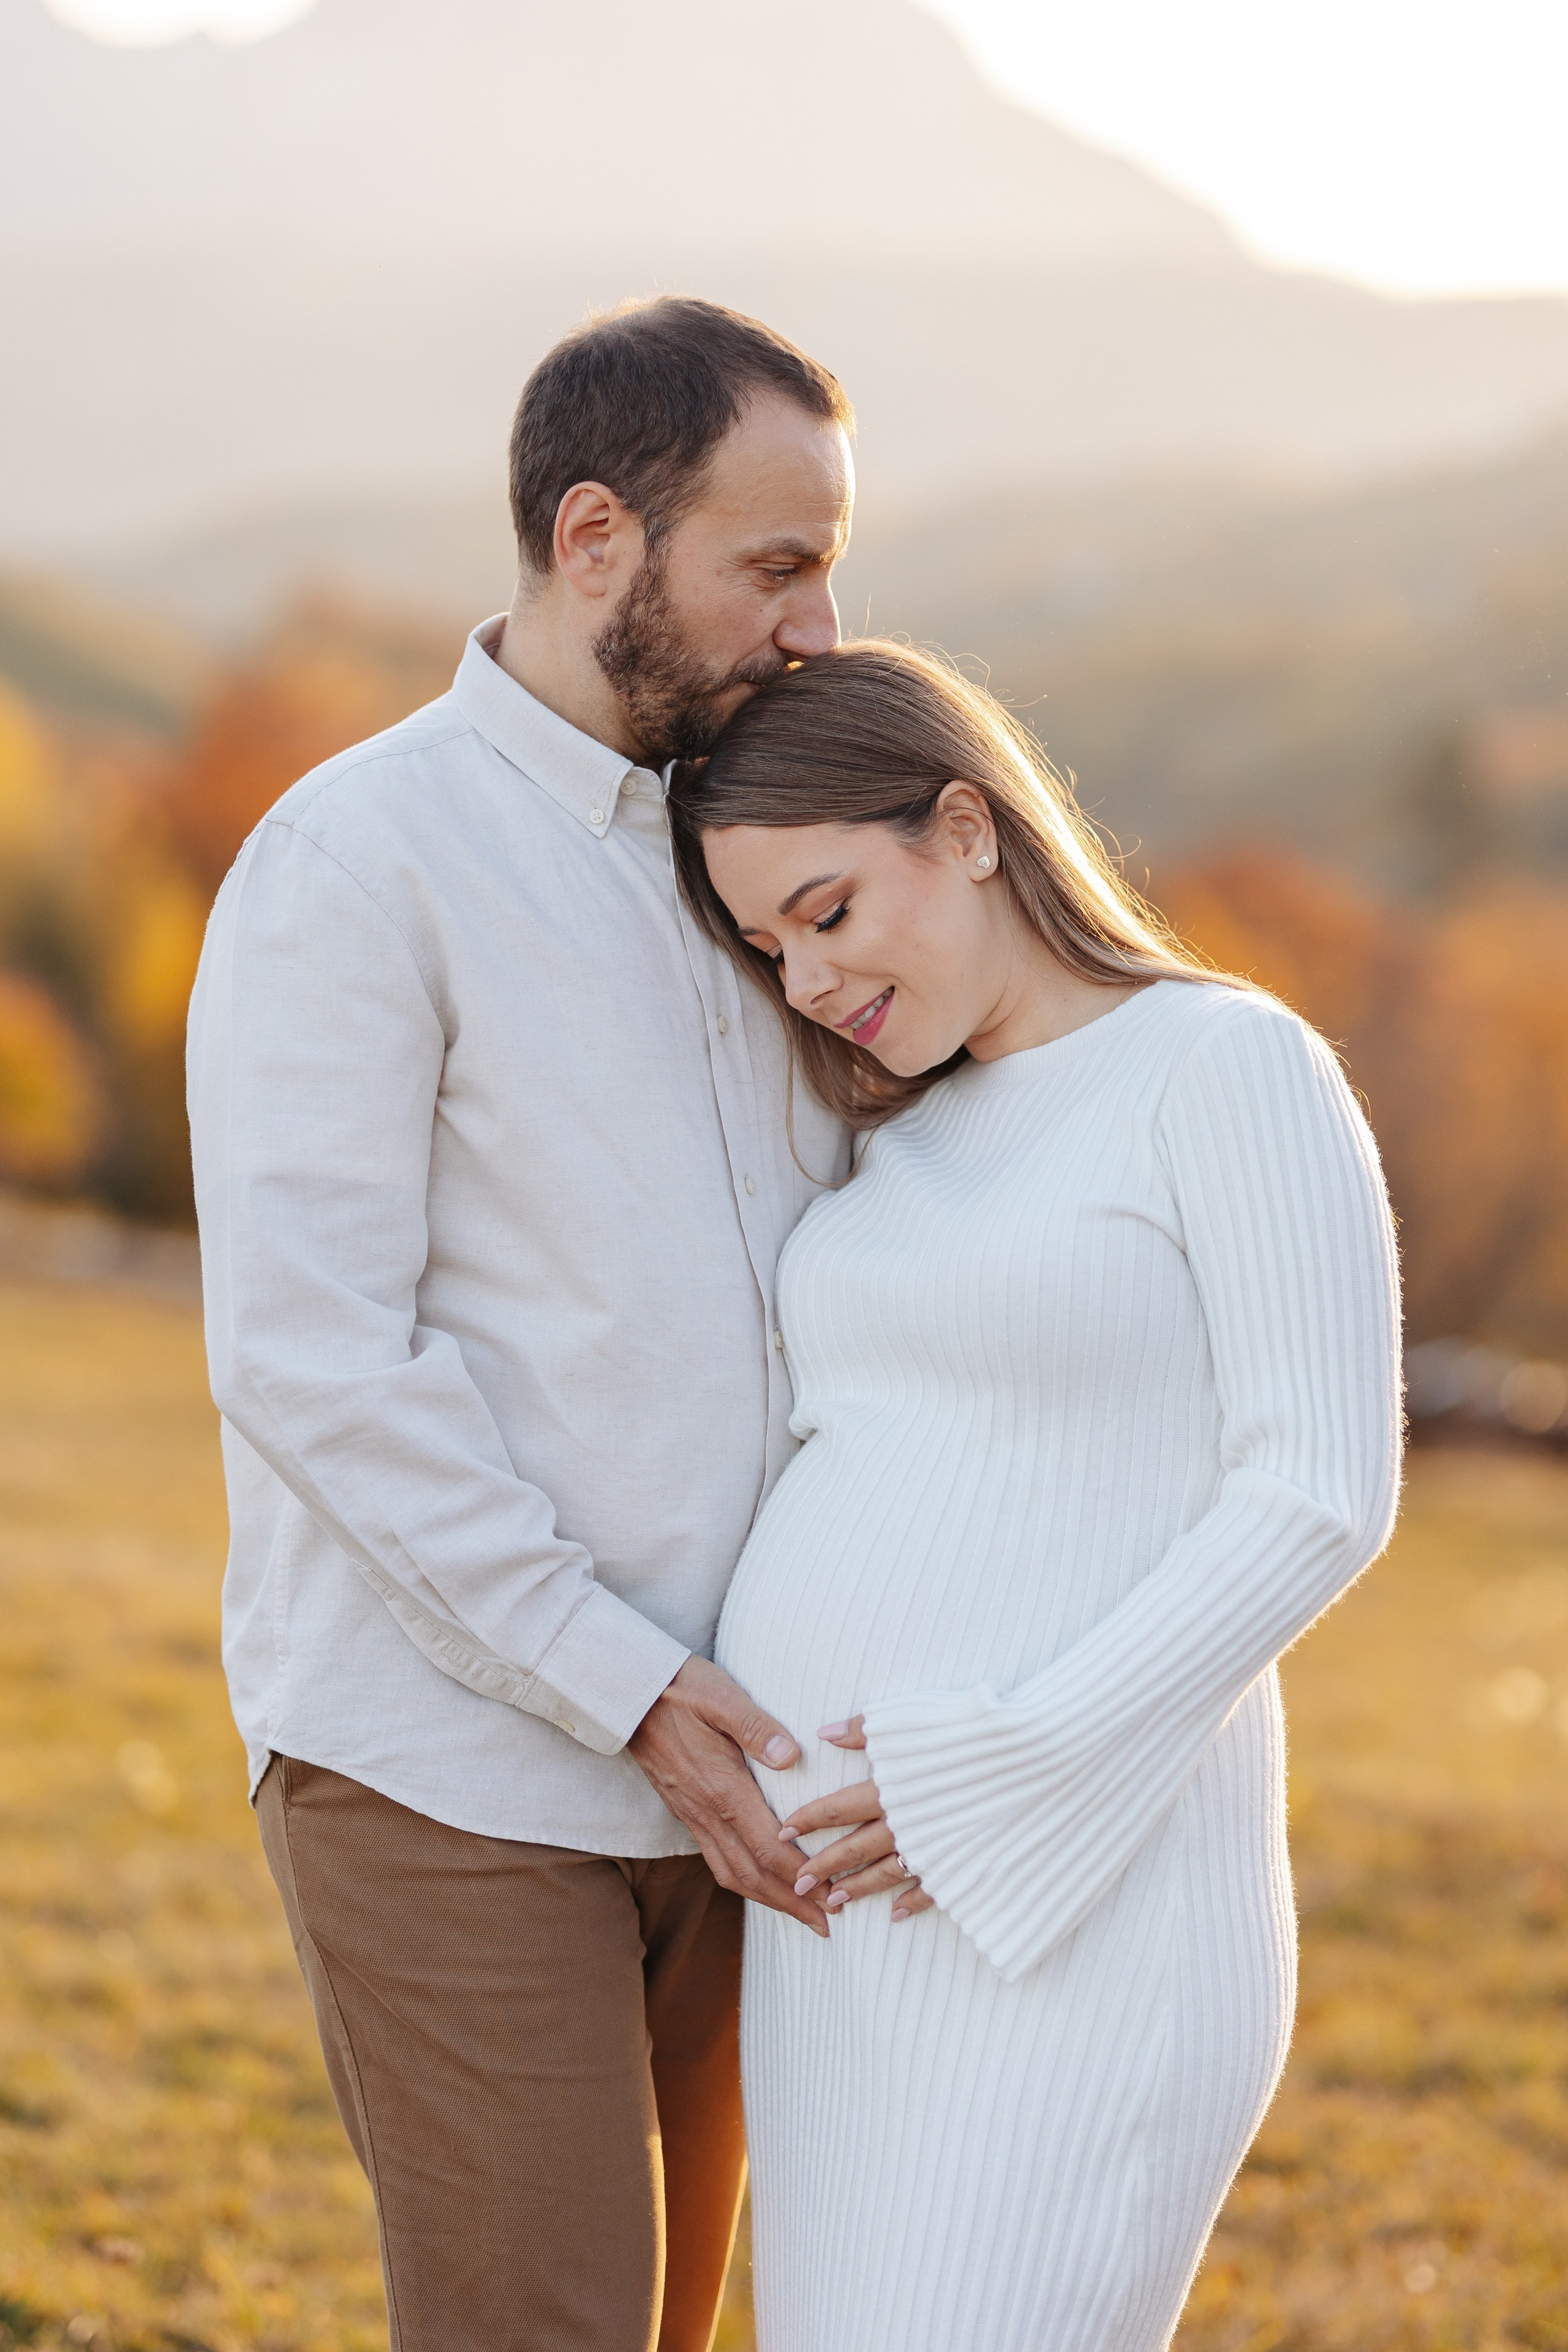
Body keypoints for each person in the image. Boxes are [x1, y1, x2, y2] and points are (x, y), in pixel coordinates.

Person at [185, 297, 855, 2352]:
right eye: (780, 565)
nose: (821, 628)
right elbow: (311, 1354)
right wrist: (625, 1679)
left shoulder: (757, 861)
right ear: (594, 542)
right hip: (456, 1772)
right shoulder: (357, 860)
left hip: (735, 1779)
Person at [668, 639, 1403, 2352]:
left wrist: (996, 1771)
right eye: (772, 944)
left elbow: (1319, 1492)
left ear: (969, 829)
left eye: (832, 908)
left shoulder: (1224, 1068)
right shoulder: (906, 1137)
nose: (808, 977)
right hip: (851, 1920)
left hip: (1072, 1903)